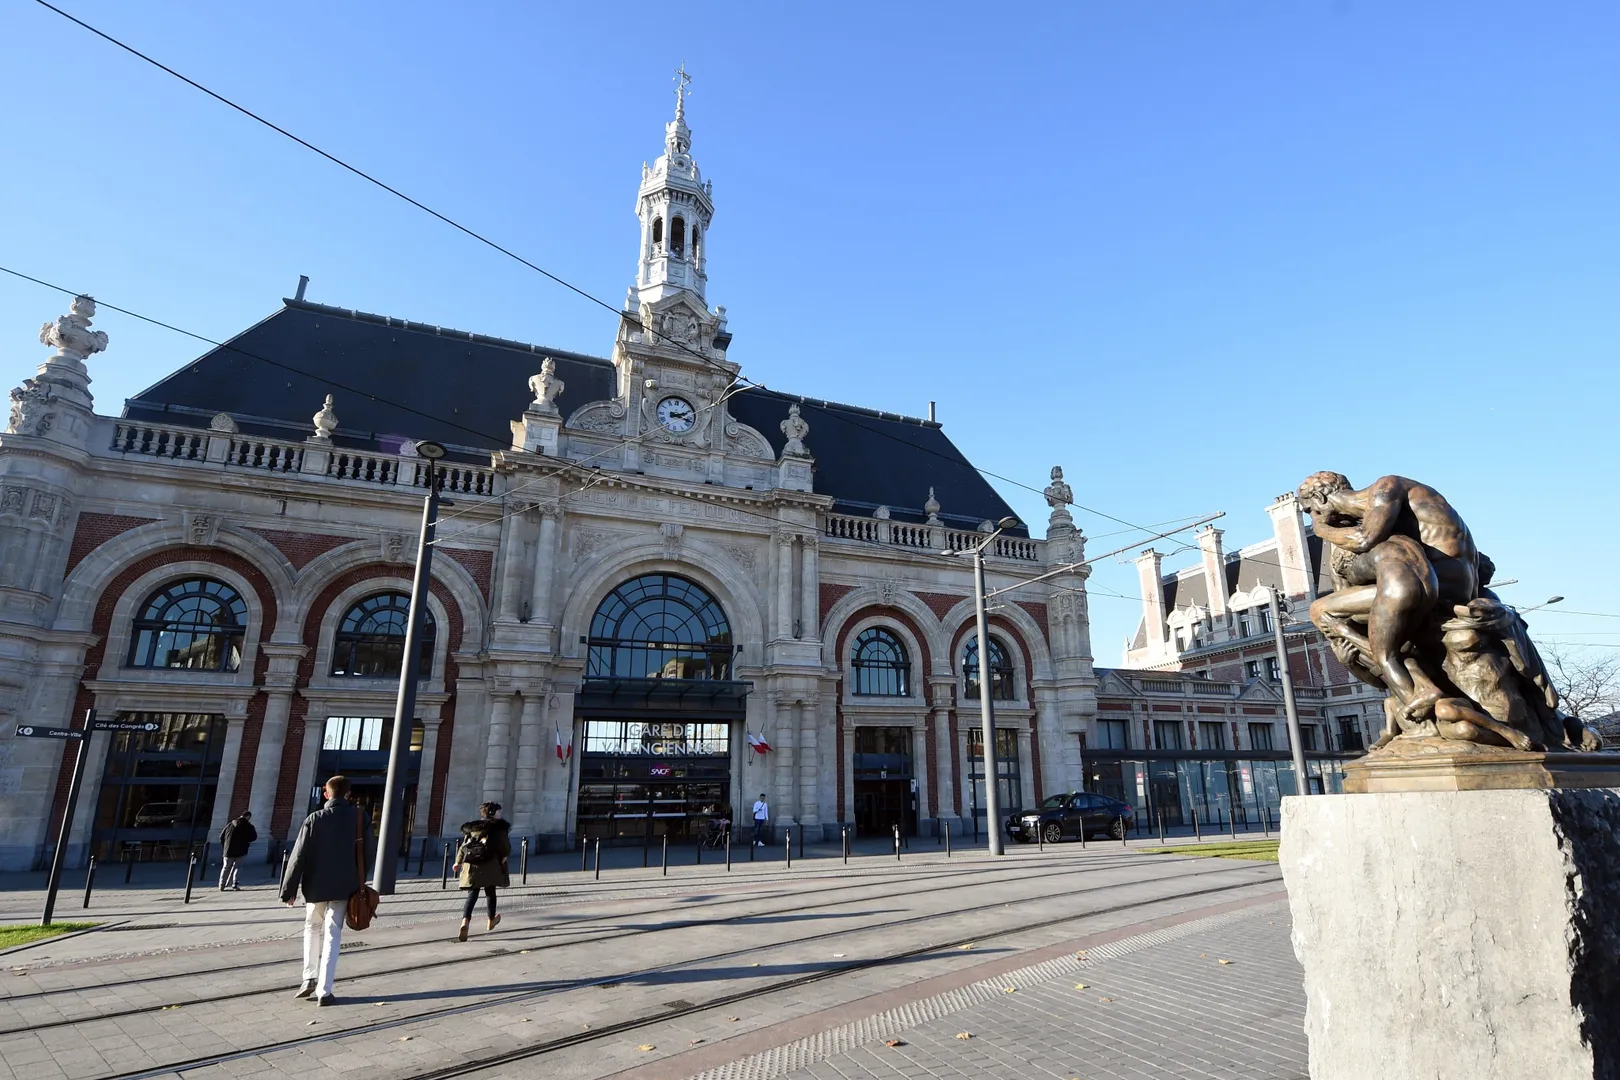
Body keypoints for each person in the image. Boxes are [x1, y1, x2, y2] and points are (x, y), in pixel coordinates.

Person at [279, 776, 367, 1006]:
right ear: (348, 794)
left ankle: (308, 977)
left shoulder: (314, 818)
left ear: (326, 794)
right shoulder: (359, 817)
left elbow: (298, 856)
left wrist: (289, 890)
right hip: (344, 886)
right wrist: (361, 881)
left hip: (315, 886)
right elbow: (369, 853)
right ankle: (324, 990)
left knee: (311, 928)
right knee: (333, 933)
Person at [455, 802, 511, 942]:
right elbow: (505, 847)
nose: (500, 814)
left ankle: (465, 922)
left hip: (472, 865)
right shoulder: (499, 828)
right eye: (499, 812)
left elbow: (463, 846)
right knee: (490, 892)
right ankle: (491, 920)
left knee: (472, 895)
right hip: (490, 865)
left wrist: (458, 862)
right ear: (492, 813)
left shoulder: (473, 827)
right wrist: (504, 858)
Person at [218, 810, 257, 891]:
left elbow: (221, 836)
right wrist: (247, 842)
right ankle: (235, 884)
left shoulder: (230, 824)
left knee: (226, 867)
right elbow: (253, 837)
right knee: (238, 867)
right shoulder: (249, 826)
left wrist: (225, 846)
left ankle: (221, 884)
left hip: (228, 850)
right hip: (241, 850)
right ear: (248, 817)